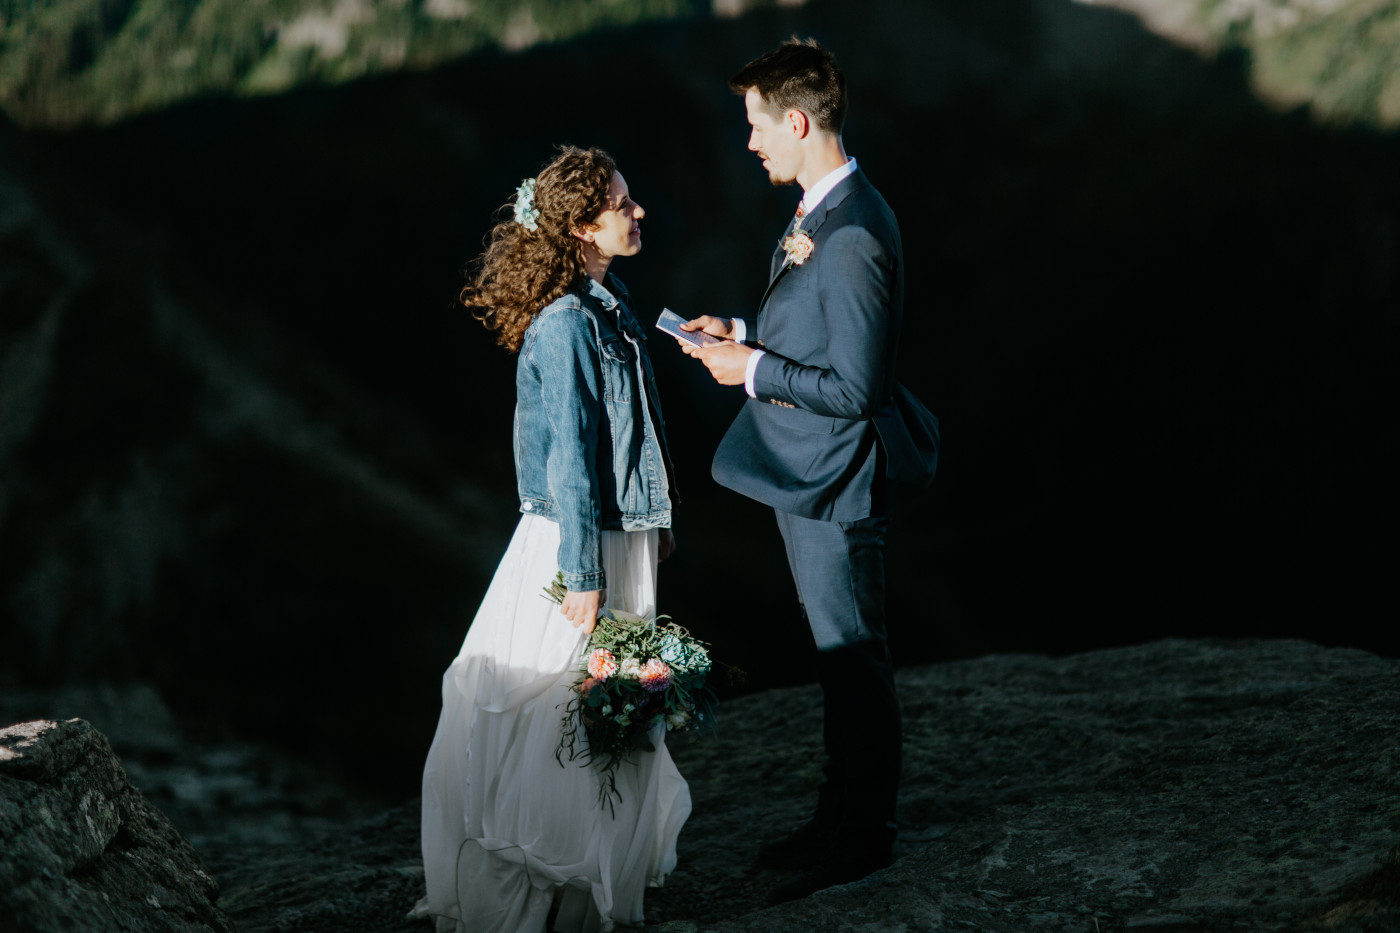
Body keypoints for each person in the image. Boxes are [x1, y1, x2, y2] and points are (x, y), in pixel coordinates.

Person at [678, 38, 939, 903]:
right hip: (809, 472)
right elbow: (825, 335)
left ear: (795, 121)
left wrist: (749, 373)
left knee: (853, 654)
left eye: (756, 126)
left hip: (835, 480)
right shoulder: (823, 210)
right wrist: (751, 337)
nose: (750, 142)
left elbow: (858, 389)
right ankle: (837, 817)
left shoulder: (853, 231)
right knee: (837, 653)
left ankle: (864, 836)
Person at [414, 146, 691, 933]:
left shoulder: (609, 301)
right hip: (577, 542)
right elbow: (570, 453)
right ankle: (529, 893)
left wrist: (655, 522)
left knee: (607, 703)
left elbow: (633, 433)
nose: (638, 212)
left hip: (613, 533)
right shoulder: (568, 322)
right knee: (561, 708)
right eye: (622, 203)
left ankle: (582, 883)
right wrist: (583, 572)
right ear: (580, 226)